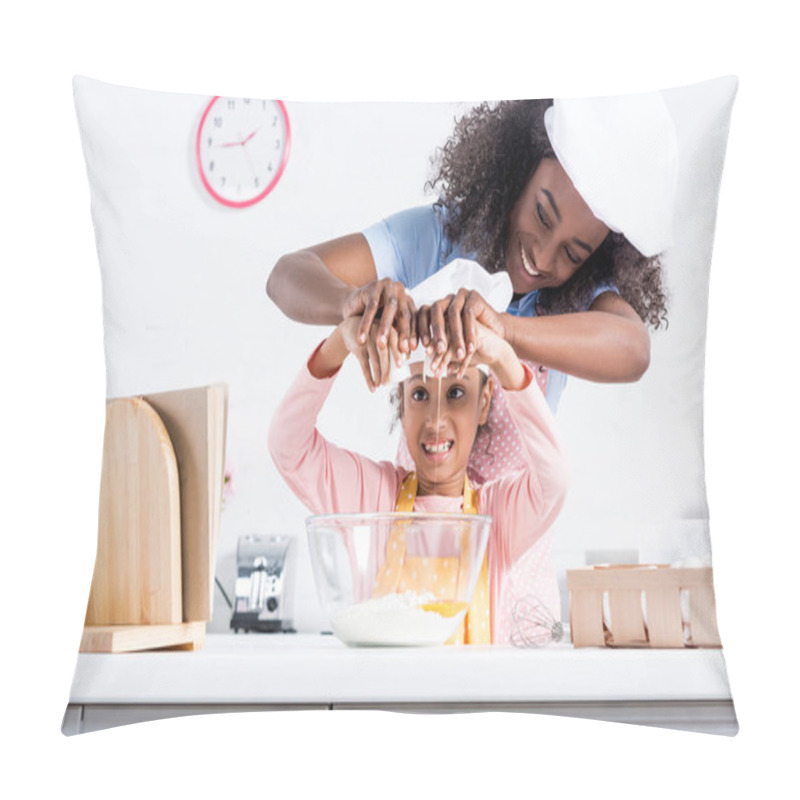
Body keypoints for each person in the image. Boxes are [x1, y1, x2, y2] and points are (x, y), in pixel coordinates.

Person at [266, 97, 677, 425]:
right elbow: (287, 274)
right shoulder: (436, 237)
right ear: (518, 173)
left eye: (572, 254)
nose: (542, 256)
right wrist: (350, 302)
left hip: (519, 523)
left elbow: (633, 348)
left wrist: (502, 332)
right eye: (541, 215)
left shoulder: (579, 295)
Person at [267, 313, 569, 645]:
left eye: (456, 393)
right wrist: (339, 343)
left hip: (472, 694)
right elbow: (288, 444)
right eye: (420, 395)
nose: (436, 420)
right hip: (386, 694)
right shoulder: (374, 499)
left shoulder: (496, 516)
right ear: (402, 403)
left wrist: (504, 358)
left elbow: (554, 480)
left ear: (483, 403)